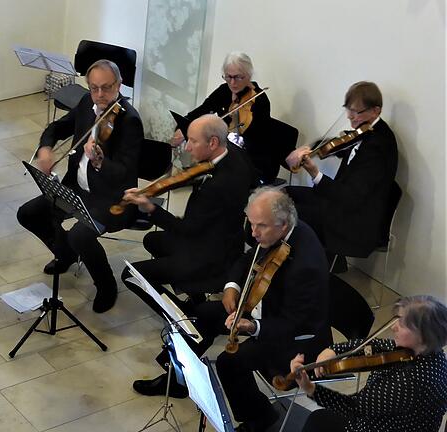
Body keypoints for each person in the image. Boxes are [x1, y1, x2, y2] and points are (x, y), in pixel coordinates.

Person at [133, 187, 332, 432]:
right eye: (251, 223)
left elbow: (296, 323)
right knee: (203, 314)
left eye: (260, 226)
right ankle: (178, 378)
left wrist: (253, 326)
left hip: (297, 339)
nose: (253, 232)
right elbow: (249, 258)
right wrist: (231, 286)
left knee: (230, 362)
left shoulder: (306, 265)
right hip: (269, 308)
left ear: (283, 225)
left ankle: (260, 417)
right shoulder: (274, 233)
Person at [16, 59, 144, 313]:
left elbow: (124, 173)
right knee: (28, 213)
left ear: (119, 85)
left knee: (80, 234)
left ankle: (106, 285)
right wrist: (45, 148)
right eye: (94, 88)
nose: (99, 95)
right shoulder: (88, 103)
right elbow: (56, 127)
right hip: (77, 188)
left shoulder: (129, 120)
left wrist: (100, 162)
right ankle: (65, 254)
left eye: (106, 88)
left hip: (113, 199)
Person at [119, 114, 256, 308]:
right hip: (225, 239)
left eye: (193, 141)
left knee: (131, 274)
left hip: (208, 255)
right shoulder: (234, 153)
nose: (187, 147)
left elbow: (185, 229)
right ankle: (195, 294)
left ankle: (184, 316)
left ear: (213, 142)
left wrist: (150, 208)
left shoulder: (216, 187)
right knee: (152, 240)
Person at [291, 295, 447, 432]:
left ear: (423, 336)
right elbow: (374, 346)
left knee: (318, 420)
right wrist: (334, 350)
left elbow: (353, 407)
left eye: (403, 324)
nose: (393, 327)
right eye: (396, 320)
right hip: (390, 418)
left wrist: (310, 389)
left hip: (381, 426)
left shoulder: (410, 382)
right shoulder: (430, 351)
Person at [285, 81, 398, 260]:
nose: (350, 117)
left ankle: (308, 265)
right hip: (337, 204)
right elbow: (339, 144)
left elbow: (350, 197)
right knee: (285, 194)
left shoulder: (379, 146)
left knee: (286, 212)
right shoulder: (366, 131)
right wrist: (307, 148)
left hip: (353, 220)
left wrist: (316, 174)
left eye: (357, 112)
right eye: (348, 110)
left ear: (376, 110)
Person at [172, 52, 280, 184]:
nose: (233, 83)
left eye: (238, 77)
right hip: (228, 156)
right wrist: (184, 129)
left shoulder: (260, 101)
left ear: (249, 75)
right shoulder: (224, 91)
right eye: (228, 77)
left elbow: (255, 142)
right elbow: (203, 109)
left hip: (252, 162)